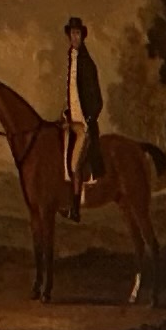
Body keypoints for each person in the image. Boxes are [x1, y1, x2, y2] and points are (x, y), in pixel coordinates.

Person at [57, 16, 104, 218]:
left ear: (82, 36)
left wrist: (89, 120)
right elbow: (74, 95)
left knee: (75, 164)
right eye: (72, 34)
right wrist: (67, 114)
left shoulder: (87, 63)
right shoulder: (72, 59)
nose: (74, 37)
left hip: (84, 125)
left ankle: (75, 210)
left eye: (77, 33)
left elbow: (97, 99)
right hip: (72, 122)